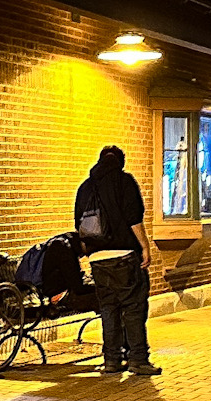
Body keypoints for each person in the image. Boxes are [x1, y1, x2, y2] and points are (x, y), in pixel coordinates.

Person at [75, 145, 161, 375]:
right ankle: (138, 359)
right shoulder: (125, 182)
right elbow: (134, 218)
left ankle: (112, 360)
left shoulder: (85, 188)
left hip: (97, 259)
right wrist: (144, 246)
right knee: (133, 308)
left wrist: (92, 252)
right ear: (120, 162)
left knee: (109, 309)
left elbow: (79, 225)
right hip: (124, 256)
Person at [16, 232, 99, 313]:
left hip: (56, 291)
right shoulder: (64, 250)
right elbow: (77, 287)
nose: (85, 255)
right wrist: (96, 287)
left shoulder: (64, 243)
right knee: (102, 297)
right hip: (59, 296)